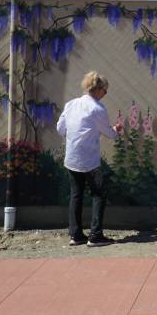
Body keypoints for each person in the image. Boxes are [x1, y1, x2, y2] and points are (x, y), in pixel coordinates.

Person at [56, 71, 123, 247]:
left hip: (71, 157)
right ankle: (95, 236)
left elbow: (60, 129)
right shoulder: (98, 109)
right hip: (89, 160)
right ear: (98, 89)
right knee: (99, 194)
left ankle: (75, 235)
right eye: (105, 90)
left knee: (76, 195)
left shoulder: (71, 104)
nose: (106, 94)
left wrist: (74, 137)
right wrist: (117, 129)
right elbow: (109, 133)